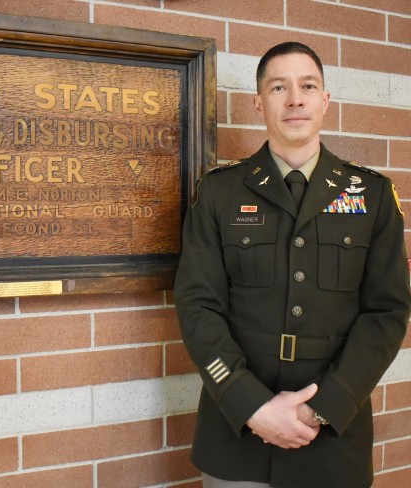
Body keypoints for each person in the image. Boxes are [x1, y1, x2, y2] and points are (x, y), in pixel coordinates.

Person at [174, 42, 411, 488]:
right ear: (258, 103)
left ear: (325, 100)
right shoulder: (220, 193)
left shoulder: (373, 196)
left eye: (308, 86)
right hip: (237, 435)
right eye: (279, 87)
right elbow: (197, 306)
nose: (295, 99)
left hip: (332, 439)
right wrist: (251, 405)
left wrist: (323, 407)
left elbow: (387, 313)